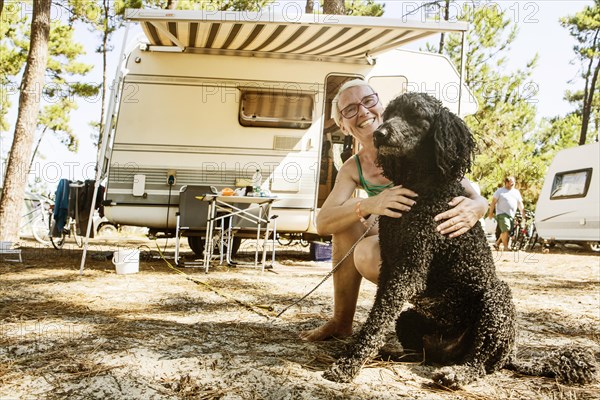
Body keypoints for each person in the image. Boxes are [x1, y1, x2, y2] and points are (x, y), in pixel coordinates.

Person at [300, 79, 488, 342]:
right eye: (350, 109)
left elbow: (473, 195)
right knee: (346, 226)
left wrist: (479, 206)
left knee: (369, 248)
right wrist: (369, 204)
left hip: (435, 253)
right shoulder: (353, 168)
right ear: (342, 125)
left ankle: (436, 304)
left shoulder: (415, 145)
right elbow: (323, 223)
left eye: (368, 102)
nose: (363, 112)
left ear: (381, 106)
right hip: (400, 245)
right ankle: (341, 323)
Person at [488, 176, 525, 251]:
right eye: (511, 182)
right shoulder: (500, 191)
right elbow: (493, 202)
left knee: (507, 231)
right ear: (506, 183)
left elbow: (520, 203)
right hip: (501, 213)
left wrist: (523, 212)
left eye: (514, 182)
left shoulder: (516, 192)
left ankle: (497, 243)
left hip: (511, 215)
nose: (513, 184)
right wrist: (490, 213)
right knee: (506, 229)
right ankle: (505, 247)